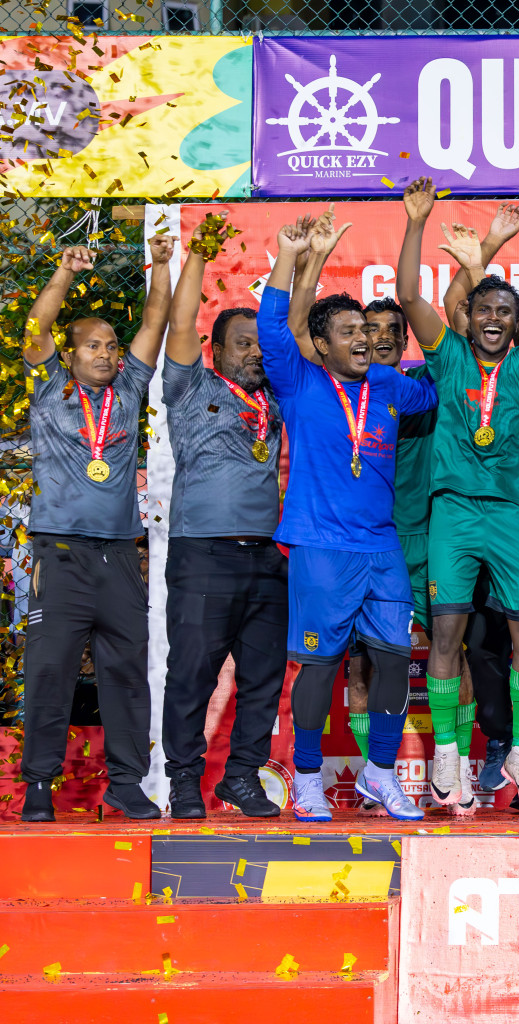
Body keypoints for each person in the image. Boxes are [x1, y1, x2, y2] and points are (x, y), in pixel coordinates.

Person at [260, 218, 438, 822]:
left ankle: (380, 776)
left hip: (381, 548)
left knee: (393, 659)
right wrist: (290, 256)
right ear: (321, 344)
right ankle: (307, 779)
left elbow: (443, 385)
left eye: (365, 330)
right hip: (319, 546)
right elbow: (272, 329)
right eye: (348, 332)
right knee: (320, 663)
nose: (363, 340)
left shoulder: (389, 384)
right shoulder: (299, 382)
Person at [396, 178, 519, 813]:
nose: (494, 320)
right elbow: (409, 295)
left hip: (515, 517)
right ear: (468, 319)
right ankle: (447, 752)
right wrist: (417, 222)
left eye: (505, 313)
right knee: (445, 635)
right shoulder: (449, 357)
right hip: (454, 513)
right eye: (483, 311)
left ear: (515, 325)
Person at [19, 237, 172, 822]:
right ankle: (38, 786)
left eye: (111, 344)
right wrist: (62, 271)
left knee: (127, 672)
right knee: (51, 671)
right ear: (72, 354)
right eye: (93, 345)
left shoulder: (129, 390)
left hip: (117, 558)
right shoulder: (51, 388)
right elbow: (36, 327)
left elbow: (155, 320)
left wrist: (160, 269)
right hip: (59, 557)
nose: (106, 354)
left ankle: (127, 784)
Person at [160, 214, 284, 820]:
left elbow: (295, 337)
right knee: (193, 675)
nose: (255, 353)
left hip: (266, 556)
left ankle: (240, 776)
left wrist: (298, 260)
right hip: (202, 553)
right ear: (216, 351)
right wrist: (195, 260)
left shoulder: (277, 400)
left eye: (261, 344)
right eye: (243, 343)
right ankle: (183, 781)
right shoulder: (189, 388)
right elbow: (181, 323)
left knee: (263, 679)